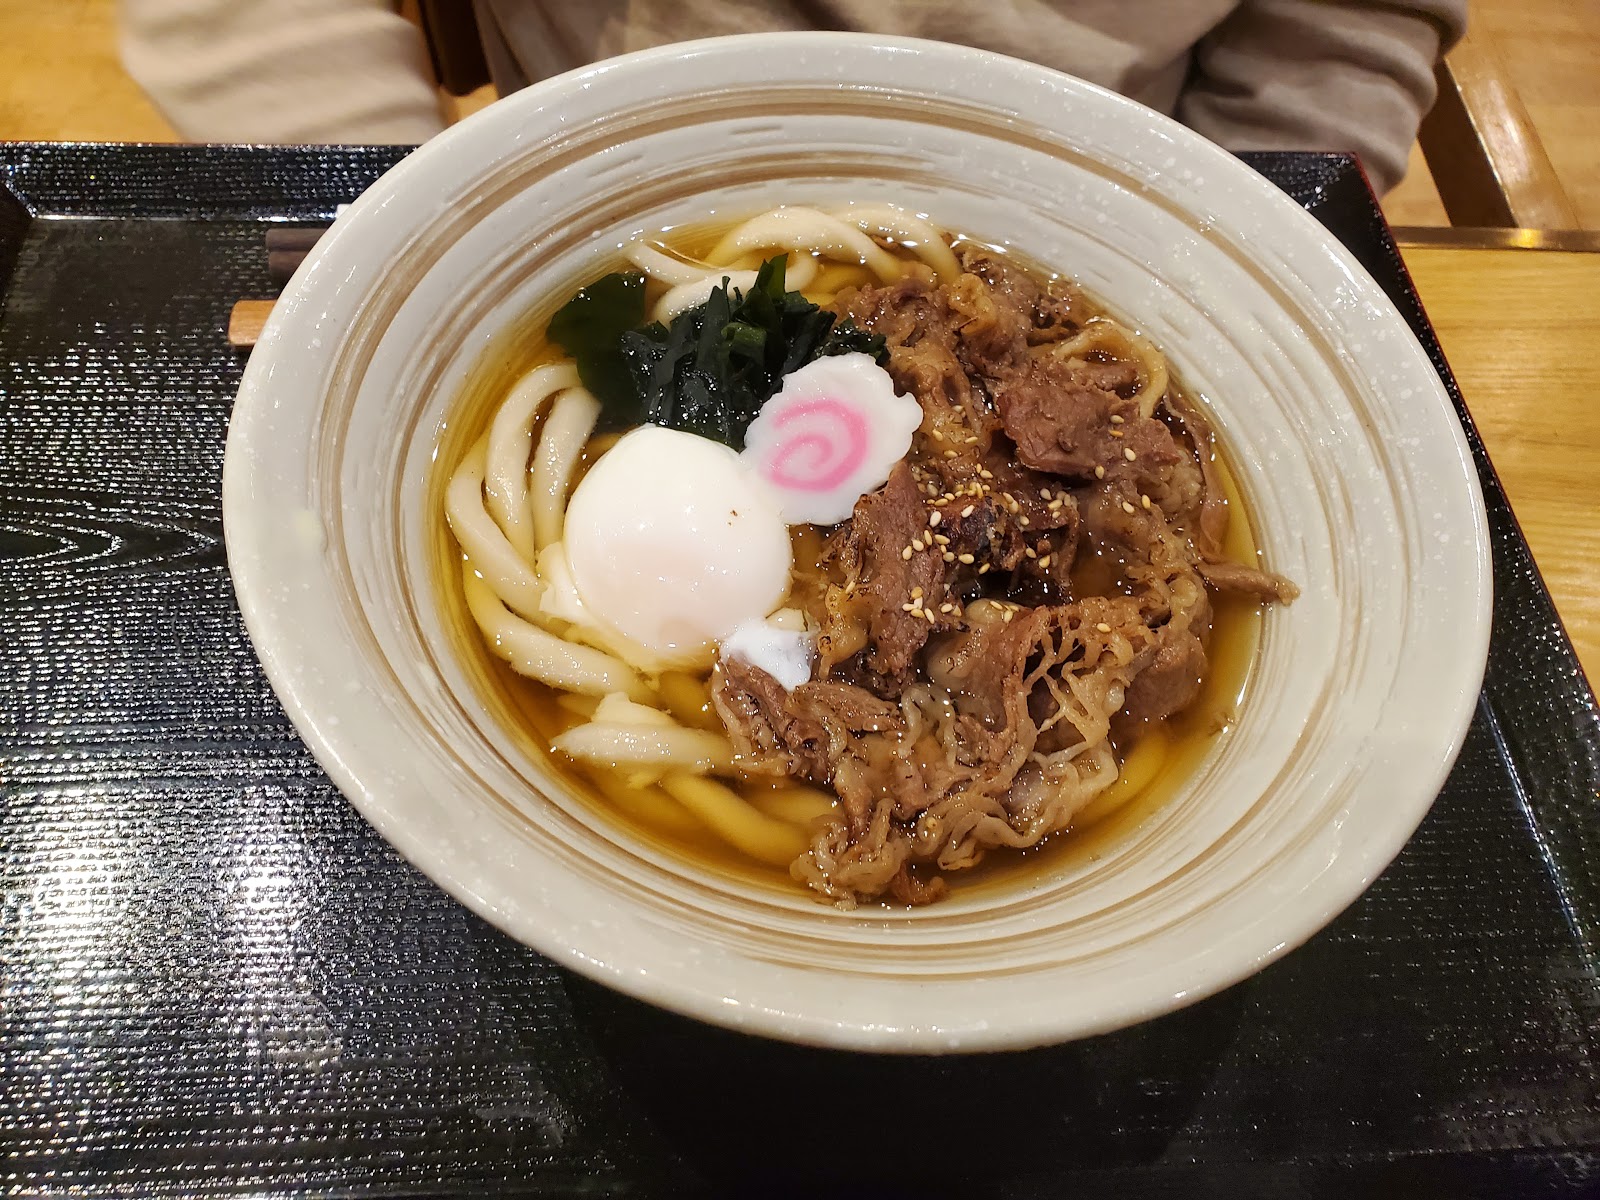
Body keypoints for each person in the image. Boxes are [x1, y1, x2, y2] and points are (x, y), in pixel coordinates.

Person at [119, 0, 1466, 193]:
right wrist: (396, 221)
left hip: (1103, 189)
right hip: (594, 165)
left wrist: (1219, 250)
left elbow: (1347, 29)